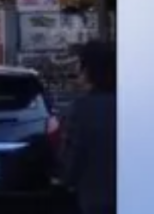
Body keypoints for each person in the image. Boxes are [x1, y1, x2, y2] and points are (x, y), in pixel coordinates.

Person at [59, 40, 116, 214]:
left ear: (88, 70)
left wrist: (66, 181)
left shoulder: (83, 108)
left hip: (96, 199)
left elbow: (74, 157)